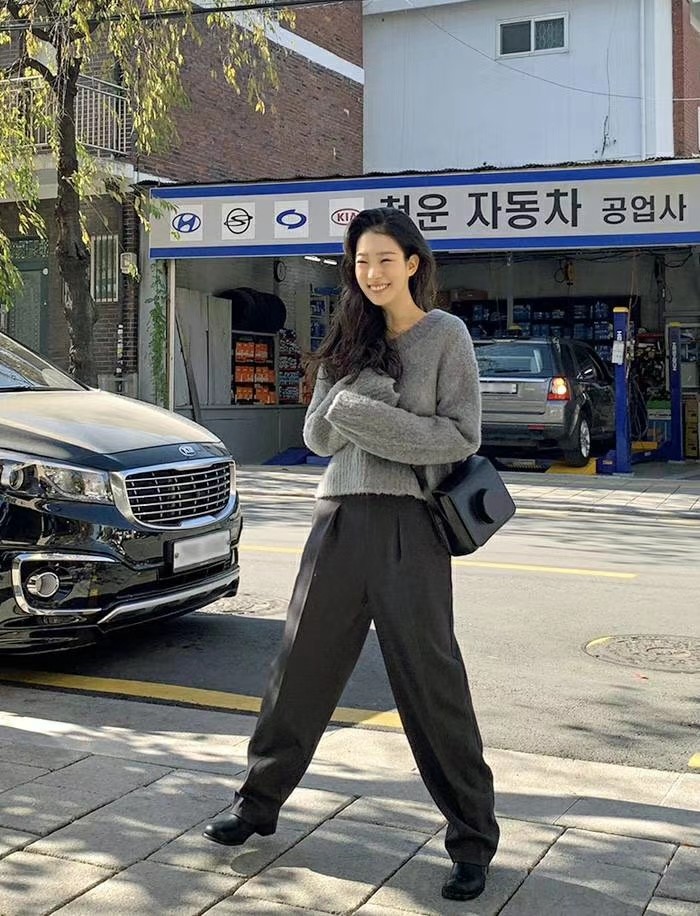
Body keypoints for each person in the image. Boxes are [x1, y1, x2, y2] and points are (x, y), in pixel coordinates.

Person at [203, 206, 499, 902]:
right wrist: (360, 405)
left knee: (432, 682)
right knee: (298, 668)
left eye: (385, 260)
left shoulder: (445, 336)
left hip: (410, 527)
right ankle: (257, 803)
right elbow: (317, 436)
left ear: (413, 264)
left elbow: (459, 435)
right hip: (336, 518)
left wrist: (361, 411)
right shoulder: (346, 339)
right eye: (361, 262)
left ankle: (472, 839)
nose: (372, 273)